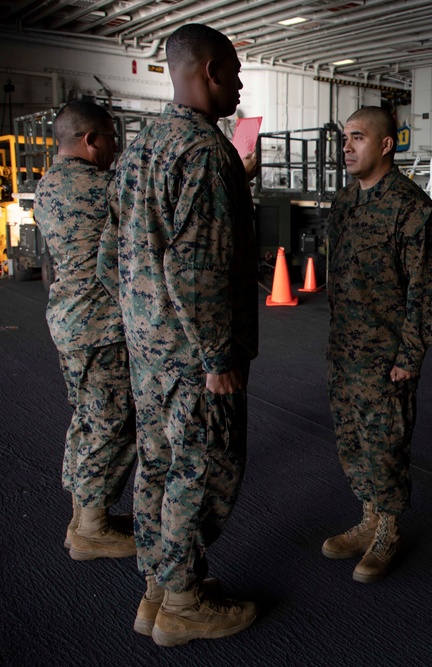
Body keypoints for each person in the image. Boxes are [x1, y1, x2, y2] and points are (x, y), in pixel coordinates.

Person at [97, 23, 259, 645]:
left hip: (149, 350)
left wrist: (143, 324)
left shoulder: (143, 144)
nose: (240, 84)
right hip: (195, 356)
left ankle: (159, 590)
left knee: (158, 466)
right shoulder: (206, 152)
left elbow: (114, 249)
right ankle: (184, 605)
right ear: (210, 70)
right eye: (235, 71)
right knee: (201, 470)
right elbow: (199, 268)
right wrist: (218, 355)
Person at [322, 106, 432, 583]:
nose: (347, 146)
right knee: (351, 440)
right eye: (344, 138)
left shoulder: (410, 207)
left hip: (385, 356)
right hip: (343, 349)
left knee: (386, 443)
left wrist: (410, 356)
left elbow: (426, 288)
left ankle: (389, 528)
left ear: (386, 144)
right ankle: (369, 516)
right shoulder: (345, 202)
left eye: (357, 137)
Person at [34, 100, 136, 562]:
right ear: (91, 140)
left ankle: (81, 516)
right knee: (112, 423)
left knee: (87, 417)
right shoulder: (100, 188)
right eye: (112, 139)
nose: (115, 149)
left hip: (69, 320)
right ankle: (92, 527)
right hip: (101, 327)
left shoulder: (47, 185)